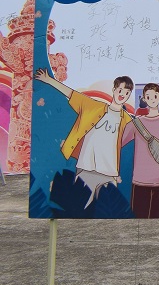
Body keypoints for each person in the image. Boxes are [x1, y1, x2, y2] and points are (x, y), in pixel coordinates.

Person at [35, 69, 134, 207]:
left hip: (109, 172)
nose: (123, 94)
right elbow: (71, 94)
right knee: (81, 208)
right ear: (114, 90)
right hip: (86, 167)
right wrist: (49, 80)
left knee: (107, 211)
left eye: (127, 92)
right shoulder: (93, 106)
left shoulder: (127, 120)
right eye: (120, 90)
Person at [121, 83, 159, 219]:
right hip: (140, 180)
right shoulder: (135, 124)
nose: (152, 99)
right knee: (139, 222)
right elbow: (119, 143)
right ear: (144, 98)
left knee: (158, 220)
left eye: (155, 96)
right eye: (148, 97)